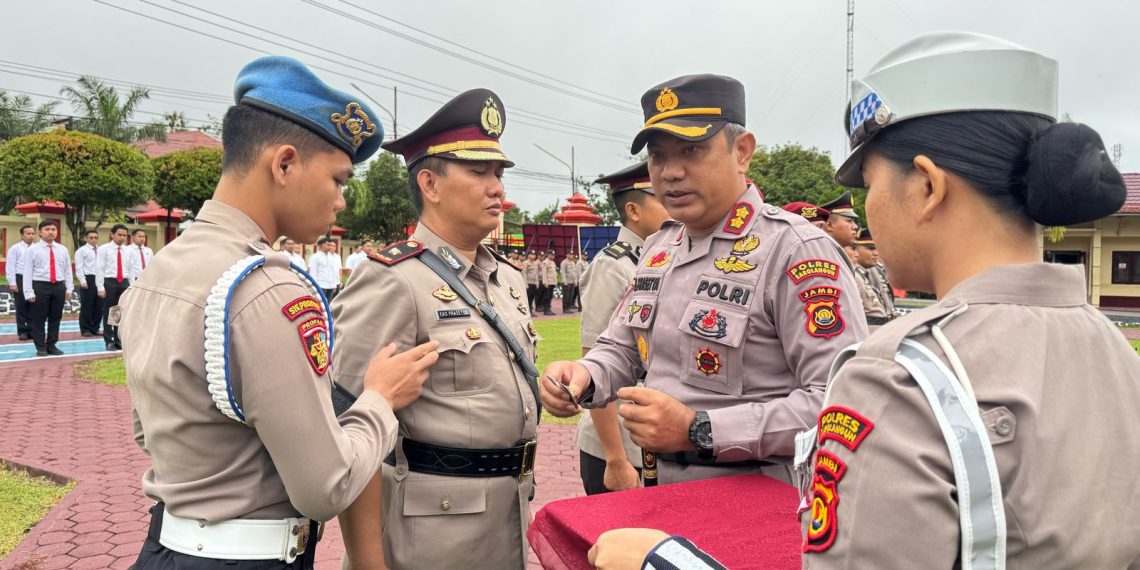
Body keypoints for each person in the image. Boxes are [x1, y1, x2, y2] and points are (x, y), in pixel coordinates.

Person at [590, 31, 1140, 570]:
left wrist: (660, 562)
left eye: (869, 183)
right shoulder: (1117, 355)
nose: (862, 212)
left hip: (751, 510)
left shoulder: (893, 376)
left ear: (926, 186)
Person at [118, 55, 439, 569]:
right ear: (284, 163)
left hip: (168, 548)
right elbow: (326, 487)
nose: (340, 200)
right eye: (338, 180)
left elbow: (147, 431)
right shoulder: (269, 291)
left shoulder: (161, 269)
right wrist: (379, 400)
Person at [541, 74, 868, 487]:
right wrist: (584, 374)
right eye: (658, 156)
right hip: (660, 491)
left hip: (758, 501)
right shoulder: (660, 247)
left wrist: (700, 429)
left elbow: (841, 403)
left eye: (692, 150)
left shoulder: (795, 250)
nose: (672, 172)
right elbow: (623, 348)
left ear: (742, 152)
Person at [331, 88, 540, 570]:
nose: (498, 189)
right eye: (478, 172)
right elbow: (351, 427)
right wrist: (367, 563)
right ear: (430, 183)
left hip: (510, 513)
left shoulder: (507, 279)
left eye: (499, 173)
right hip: (432, 535)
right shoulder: (393, 279)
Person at [576, 160, 671, 495]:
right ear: (633, 209)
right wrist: (616, 458)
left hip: (650, 439)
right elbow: (594, 366)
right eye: (660, 198)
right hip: (617, 447)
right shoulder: (613, 267)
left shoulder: (664, 259)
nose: (671, 203)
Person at [22, 219, 73, 357]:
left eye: (53, 229)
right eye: (47, 229)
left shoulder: (62, 249)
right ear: (40, 232)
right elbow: (27, 272)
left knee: (55, 317)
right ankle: (41, 347)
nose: (51, 232)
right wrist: (28, 292)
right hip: (40, 286)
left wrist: (69, 288)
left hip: (58, 286)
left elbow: (68, 270)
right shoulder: (32, 250)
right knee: (38, 318)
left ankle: (52, 344)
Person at [96, 224, 138, 351]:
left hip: (124, 282)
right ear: (112, 235)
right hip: (110, 282)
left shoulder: (129, 250)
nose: (122, 238)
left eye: (124, 235)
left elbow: (131, 270)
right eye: (119, 235)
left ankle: (118, 339)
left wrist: (131, 286)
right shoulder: (104, 249)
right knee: (109, 311)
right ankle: (109, 340)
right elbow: (99, 268)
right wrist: (100, 287)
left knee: (119, 311)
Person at [851, 228, 892, 330]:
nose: (876, 253)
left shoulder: (872, 272)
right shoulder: (853, 275)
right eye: (870, 248)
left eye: (876, 248)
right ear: (856, 250)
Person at [5, 224, 35, 341]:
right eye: (28, 233)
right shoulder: (15, 248)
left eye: (33, 233)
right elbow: (10, 266)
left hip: (34, 279)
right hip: (20, 278)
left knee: (33, 306)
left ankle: (32, 330)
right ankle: (22, 331)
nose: (31, 236)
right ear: (22, 235)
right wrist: (12, 282)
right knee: (21, 306)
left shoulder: (37, 248)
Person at [73, 229, 102, 337]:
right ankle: (85, 329)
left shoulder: (101, 250)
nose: (94, 240)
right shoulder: (81, 251)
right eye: (91, 237)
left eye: (96, 237)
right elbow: (79, 267)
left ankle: (95, 328)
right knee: (87, 305)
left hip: (100, 278)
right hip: (88, 278)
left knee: (99, 305)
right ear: (86, 238)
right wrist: (82, 280)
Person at [539, 250, 558, 315]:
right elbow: (544, 273)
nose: (553, 256)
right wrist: (545, 282)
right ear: (548, 255)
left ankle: (549, 309)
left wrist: (555, 282)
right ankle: (546, 310)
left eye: (553, 255)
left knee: (550, 296)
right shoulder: (545, 262)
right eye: (551, 255)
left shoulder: (553, 263)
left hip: (552, 282)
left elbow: (554, 274)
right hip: (548, 282)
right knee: (546, 297)